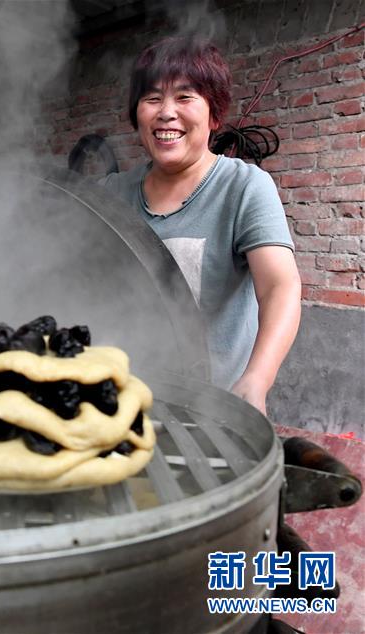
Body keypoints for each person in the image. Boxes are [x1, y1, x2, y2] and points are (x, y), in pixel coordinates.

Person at [100, 37, 301, 416]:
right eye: (153, 98)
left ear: (214, 115)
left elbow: (280, 286)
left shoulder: (243, 187)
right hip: (121, 400)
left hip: (212, 409)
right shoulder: (110, 193)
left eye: (185, 97)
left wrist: (257, 379)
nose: (166, 113)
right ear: (136, 113)